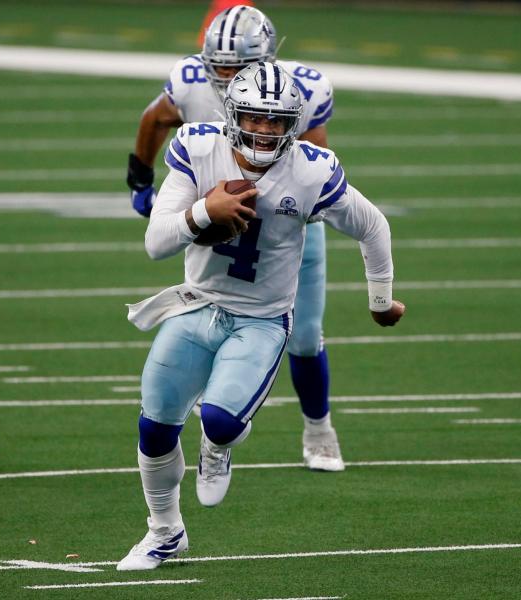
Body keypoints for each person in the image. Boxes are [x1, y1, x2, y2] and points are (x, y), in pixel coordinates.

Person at [117, 62, 405, 571]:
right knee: (155, 423)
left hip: (262, 320)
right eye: (254, 117)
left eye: (276, 121)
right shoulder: (196, 146)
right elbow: (156, 243)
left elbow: (373, 226)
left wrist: (380, 300)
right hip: (197, 304)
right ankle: (163, 532)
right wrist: (206, 212)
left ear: (293, 123)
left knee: (222, 422)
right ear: (232, 114)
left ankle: (218, 445)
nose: (264, 129)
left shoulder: (312, 169)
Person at [126, 5, 345, 471]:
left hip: (285, 230)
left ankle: (318, 428)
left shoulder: (300, 89)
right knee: (202, 323)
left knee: (304, 336)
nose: (225, 77)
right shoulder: (189, 79)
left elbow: (315, 162)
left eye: (238, 67)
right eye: (218, 66)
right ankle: (216, 424)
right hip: (215, 226)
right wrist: (141, 182)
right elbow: (155, 118)